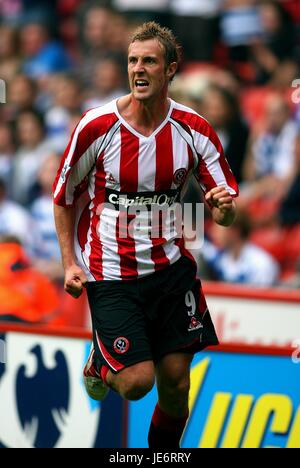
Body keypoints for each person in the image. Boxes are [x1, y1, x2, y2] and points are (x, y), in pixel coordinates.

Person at [53, 22, 238, 449]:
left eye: (149, 61)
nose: (138, 69)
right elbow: (62, 197)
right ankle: (101, 363)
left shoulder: (194, 129)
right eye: (133, 60)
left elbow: (225, 209)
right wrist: (68, 261)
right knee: (137, 383)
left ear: (170, 69)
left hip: (171, 270)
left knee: (175, 385)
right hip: (112, 271)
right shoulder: (96, 126)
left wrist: (224, 210)